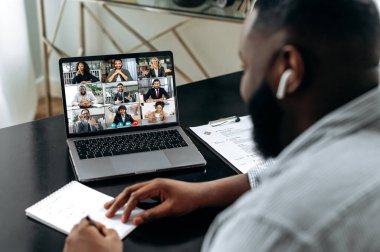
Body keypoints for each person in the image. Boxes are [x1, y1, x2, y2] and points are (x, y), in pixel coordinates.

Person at [64, 0, 380, 251]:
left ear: (289, 69)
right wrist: (204, 192)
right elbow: (309, 164)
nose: (244, 85)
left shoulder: (270, 228)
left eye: (246, 66)